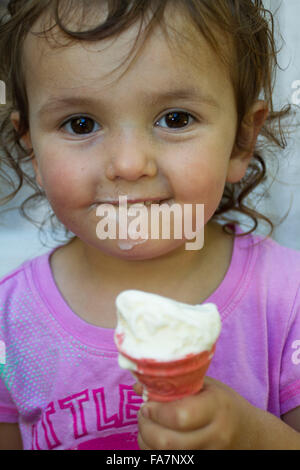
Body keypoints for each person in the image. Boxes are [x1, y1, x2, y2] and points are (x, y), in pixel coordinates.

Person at [0, 0, 299, 450]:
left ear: (241, 139)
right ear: (32, 151)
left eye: (175, 118)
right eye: (80, 124)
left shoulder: (287, 297)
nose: (128, 164)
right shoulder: (9, 320)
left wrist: (253, 437)